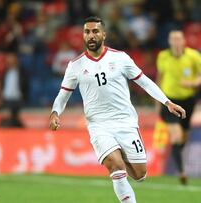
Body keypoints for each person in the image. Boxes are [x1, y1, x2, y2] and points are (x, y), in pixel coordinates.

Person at [49, 16, 186, 203]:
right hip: (99, 125)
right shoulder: (75, 66)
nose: (91, 35)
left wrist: (167, 102)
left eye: (95, 31)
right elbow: (63, 94)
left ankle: (120, 151)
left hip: (125, 121)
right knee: (116, 166)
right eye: (87, 32)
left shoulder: (120, 58)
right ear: (83, 35)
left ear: (103, 34)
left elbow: (144, 81)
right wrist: (55, 113)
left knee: (139, 174)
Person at [156, 30, 201, 185]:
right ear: (169, 41)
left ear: (183, 41)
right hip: (169, 101)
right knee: (176, 136)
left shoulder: (193, 56)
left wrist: (194, 83)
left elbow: (200, 75)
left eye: (178, 39)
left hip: (188, 101)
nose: (176, 41)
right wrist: (158, 100)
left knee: (184, 138)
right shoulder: (163, 56)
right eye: (173, 39)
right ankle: (182, 172)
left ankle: (177, 159)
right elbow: (160, 77)